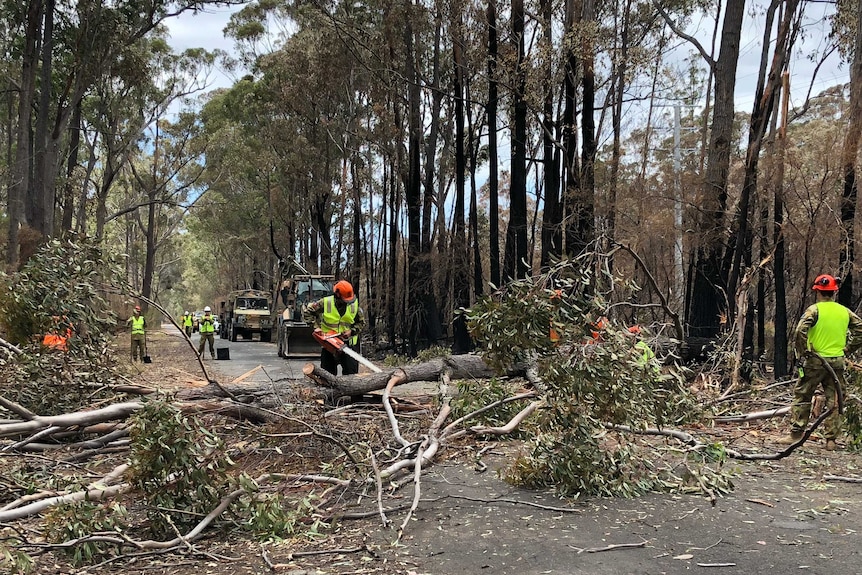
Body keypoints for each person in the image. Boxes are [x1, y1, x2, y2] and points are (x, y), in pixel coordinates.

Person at [778, 274, 862, 450]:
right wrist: (848, 349)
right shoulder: (844, 311)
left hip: (815, 361)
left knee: (803, 394)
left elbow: (801, 330)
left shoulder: (814, 310)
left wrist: (804, 352)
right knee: (835, 399)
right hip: (837, 361)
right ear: (834, 292)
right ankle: (831, 440)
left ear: (817, 291)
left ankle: (796, 434)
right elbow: (860, 329)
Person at [304, 280, 366, 375]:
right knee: (327, 376)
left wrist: (351, 331)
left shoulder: (354, 305)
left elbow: (361, 323)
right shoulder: (325, 302)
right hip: (329, 345)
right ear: (337, 294)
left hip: (348, 345)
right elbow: (308, 312)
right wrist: (315, 327)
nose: (347, 302)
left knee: (351, 376)